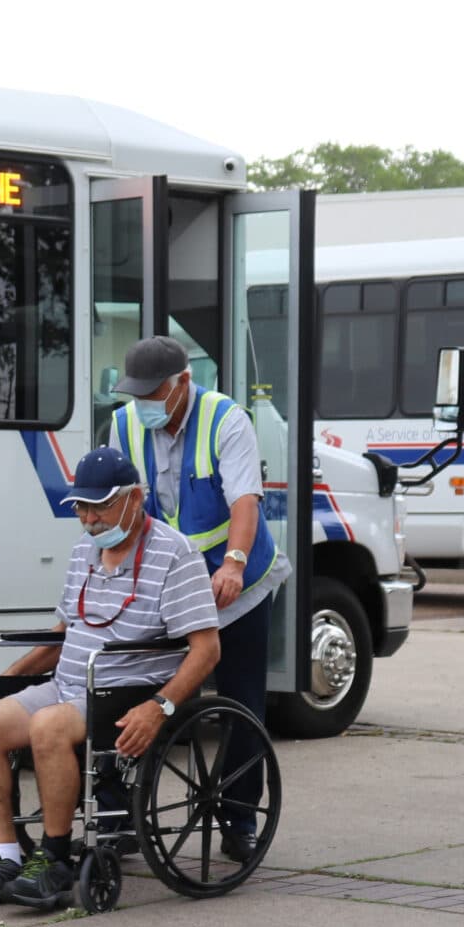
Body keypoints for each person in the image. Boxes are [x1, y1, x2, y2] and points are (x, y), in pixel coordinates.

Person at [0, 445, 221, 910]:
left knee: (48, 727)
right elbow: (63, 635)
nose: (90, 519)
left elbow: (207, 649)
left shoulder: (176, 555)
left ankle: (54, 859)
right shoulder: (83, 551)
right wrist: (4, 684)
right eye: (82, 508)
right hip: (68, 685)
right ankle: (5, 857)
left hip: (124, 691)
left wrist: (160, 707)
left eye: (101, 506)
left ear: (135, 498)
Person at [109, 334, 288, 857]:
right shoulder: (124, 425)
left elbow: (244, 501)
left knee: (240, 701)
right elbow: (123, 507)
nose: (143, 403)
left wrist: (233, 563)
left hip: (236, 584)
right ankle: (119, 815)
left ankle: (239, 818)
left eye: (153, 393)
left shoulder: (226, 419)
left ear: (183, 382)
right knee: (132, 690)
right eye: (136, 393)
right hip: (167, 583)